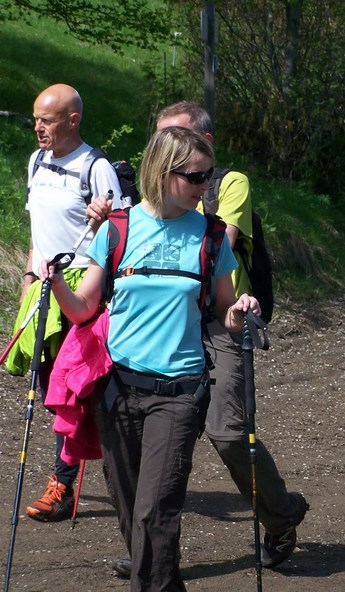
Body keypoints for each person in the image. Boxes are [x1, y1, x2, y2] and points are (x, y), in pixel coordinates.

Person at [40, 126, 259, 591]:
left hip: (179, 393)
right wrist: (55, 281)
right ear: (163, 172)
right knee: (130, 508)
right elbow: (82, 309)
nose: (205, 187)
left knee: (155, 510)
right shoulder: (118, 229)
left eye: (208, 176)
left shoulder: (212, 236)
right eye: (196, 178)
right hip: (118, 391)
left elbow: (224, 314)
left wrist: (241, 311)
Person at [156, 102, 307, 569]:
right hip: (167, 322)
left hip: (224, 320)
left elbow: (219, 235)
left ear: (206, 144)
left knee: (227, 433)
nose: (166, 153)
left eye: (177, 140)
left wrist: (170, 197)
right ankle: (151, 549)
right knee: (156, 435)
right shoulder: (145, 194)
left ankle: (280, 517)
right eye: (160, 142)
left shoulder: (229, 183)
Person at [4, 83, 124, 522]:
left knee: (70, 389)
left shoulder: (97, 168)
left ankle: (63, 483)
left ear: (72, 120)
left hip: (83, 290)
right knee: (48, 384)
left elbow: (123, 236)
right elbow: (39, 234)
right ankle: (77, 473)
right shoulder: (36, 161)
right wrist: (28, 282)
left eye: (47, 119)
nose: (37, 127)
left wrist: (105, 221)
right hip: (43, 286)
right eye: (35, 118)